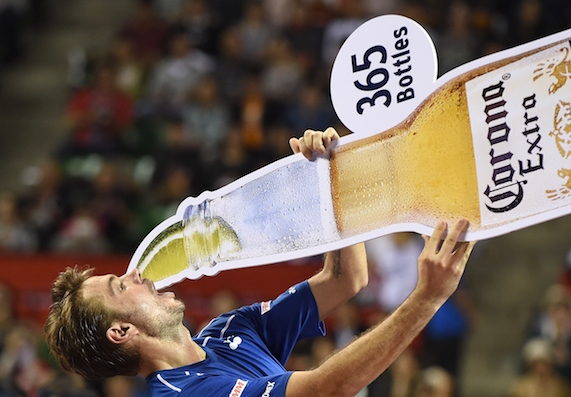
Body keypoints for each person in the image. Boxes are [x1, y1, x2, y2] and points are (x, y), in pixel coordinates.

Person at [44, 128, 476, 397]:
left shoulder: (229, 330)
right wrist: (425, 300)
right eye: (122, 286)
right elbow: (326, 389)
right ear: (121, 332)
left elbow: (345, 279)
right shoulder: (185, 394)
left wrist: (331, 181)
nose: (136, 273)